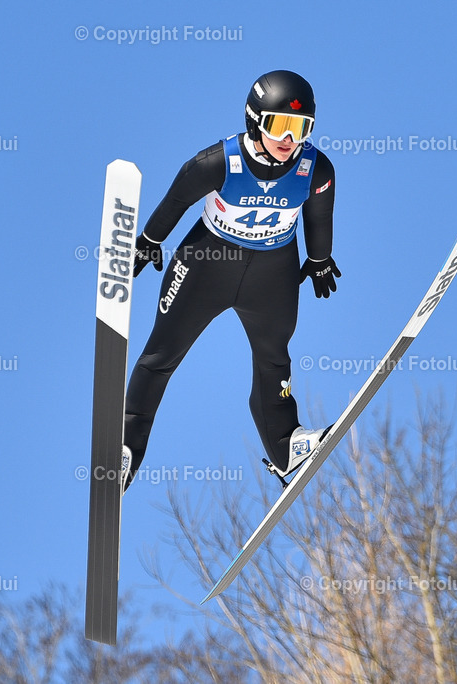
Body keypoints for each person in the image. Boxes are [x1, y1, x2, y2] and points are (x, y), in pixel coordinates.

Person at [121, 70, 339, 492]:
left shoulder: (316, 168)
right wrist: (149, 240)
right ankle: (126, 445)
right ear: (255, 122)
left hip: (272, 272)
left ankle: (286, 445)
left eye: (300, 128)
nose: (288, 139)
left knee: (274, 357)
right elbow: (176, 200)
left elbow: (320, 216)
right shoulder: (218, 162)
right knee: (161, 355)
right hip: (207, 264)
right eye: (279, 125)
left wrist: (319, 259)